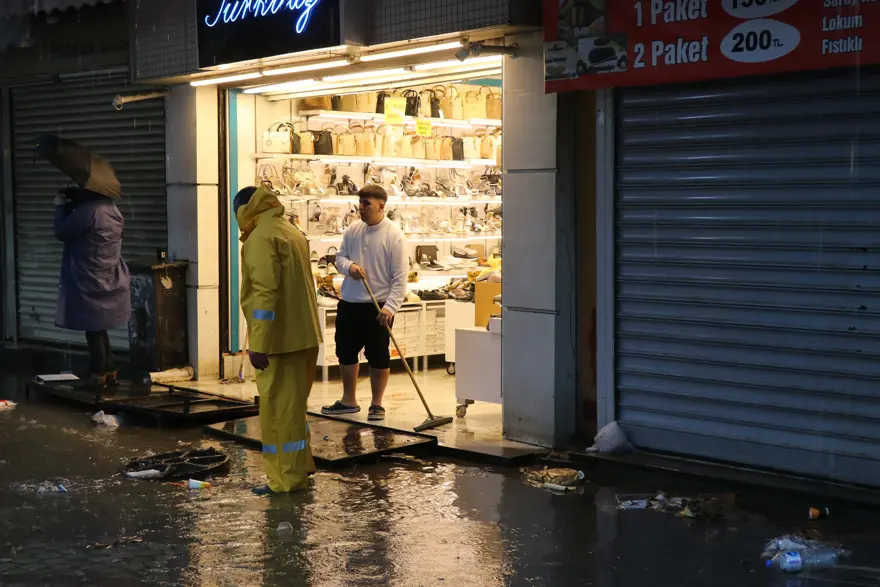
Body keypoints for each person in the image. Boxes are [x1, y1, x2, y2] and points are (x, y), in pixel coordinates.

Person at [235, 185, 322, 495]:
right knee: (294, 409)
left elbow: (265, 293)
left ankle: (284, 481)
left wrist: (258, 343)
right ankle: (301, 469)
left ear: (244, 210)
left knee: (276, 413)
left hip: (280, 343)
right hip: (304, 336)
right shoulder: (290, 230)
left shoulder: (260, 238)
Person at [322, 185, 408, 422]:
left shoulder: (394, 236)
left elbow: (400, 278)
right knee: (345, 351)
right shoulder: (353, 230)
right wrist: (349, 267)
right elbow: (339, 257)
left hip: (378, 305)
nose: (361, 207)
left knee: (378, 354)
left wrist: (390, 308)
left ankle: (376, 404)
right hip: (350, 301)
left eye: (366, 203)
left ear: (381, 206)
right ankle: (349, 400)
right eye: (360, 203)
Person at [53, 186, 131, 389]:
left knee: (92, 326)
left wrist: (60, 207)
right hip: (109, 272)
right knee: (99, 325)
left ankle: (98, 372)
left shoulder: (89, 211)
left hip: (89, 275)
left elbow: (62, 232)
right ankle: (110, 369)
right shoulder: (112, 209)